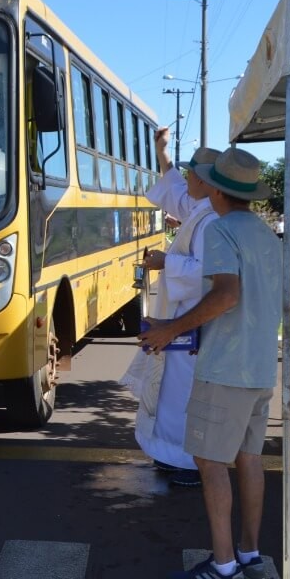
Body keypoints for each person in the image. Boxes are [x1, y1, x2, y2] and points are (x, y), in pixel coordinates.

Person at [139, 147, 282, 579]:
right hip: (260, 366)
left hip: (225, 366)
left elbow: (226, 295)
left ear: (216, 189)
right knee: (249, 459)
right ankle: (248, 552)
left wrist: (170, 329)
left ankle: (222, 568)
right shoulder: (267, 234)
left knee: (211, 463)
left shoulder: (221, 230)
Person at [124, 128, 220, 488]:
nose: (188, 178)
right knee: (171, 393)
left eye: (193, 173)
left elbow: (211, 275)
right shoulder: (202, 208)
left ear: (209, 182)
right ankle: (170, 456)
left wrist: (168, 263)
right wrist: (161, 151)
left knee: (181, 395)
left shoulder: (211, 220)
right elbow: (175, 189)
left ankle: (185, 462)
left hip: (192, 322)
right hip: (181, 320)